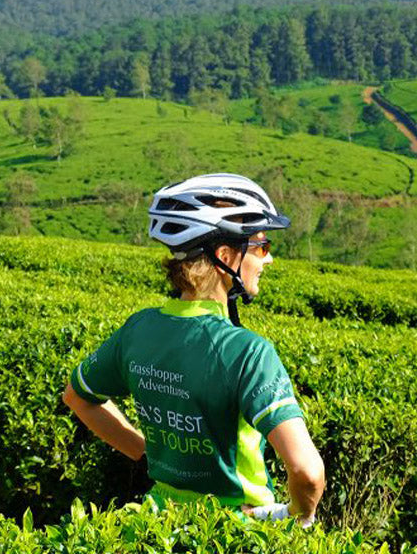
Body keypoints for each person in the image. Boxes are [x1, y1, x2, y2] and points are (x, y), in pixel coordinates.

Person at [62, 173, 324, 526]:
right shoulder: (248, 352)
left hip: (158, 526)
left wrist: (147, 456)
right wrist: (297, 515)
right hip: (236, 532)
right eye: (261, 246)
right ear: (225, 255)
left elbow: (78, 398)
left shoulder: (138, 329)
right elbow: (307, 473)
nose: (268, 259)